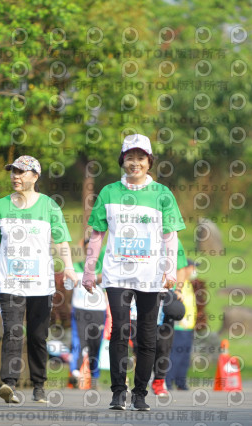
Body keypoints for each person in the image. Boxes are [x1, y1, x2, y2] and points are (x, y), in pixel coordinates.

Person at [82, 134, 186, 411]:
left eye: (141, 157)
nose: (135, 162)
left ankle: (140, 394)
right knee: (119, 331)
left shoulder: (162, 194)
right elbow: (97, 234)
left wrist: (170, 271)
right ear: (122, 160)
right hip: (117, 273)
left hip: (151, 275)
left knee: (148, 336)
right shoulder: (109, 192)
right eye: (130, 157)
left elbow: (170, 237)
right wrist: (89, 271)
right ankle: (118, 392)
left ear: (149, 161)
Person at [0, 155, 78, 404]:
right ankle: (9, 384)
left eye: (22, 172)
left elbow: (60, 240)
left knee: (38, 336)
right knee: (13, 331)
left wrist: (68, 267)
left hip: (40, 282)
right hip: (10, 281)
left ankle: (39, 386)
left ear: (35, 177)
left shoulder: (49, 206)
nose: (16, 176)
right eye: (13, 171)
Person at [150, 238, 188, 396]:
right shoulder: (142, 233)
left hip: (165, 296)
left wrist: (178, 290)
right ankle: (143, 376)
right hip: (143, 293)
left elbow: (181, 268)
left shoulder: (174, 242)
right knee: (141, 341)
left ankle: (159, 381)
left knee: (164, 344)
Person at [69, 238, 106, 389]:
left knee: (95, 344)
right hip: (80, 309)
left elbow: (108, 279)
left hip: (99, 310)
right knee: (80, 341)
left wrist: (95, 278)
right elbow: (68, 283)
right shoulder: (76, 267)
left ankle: (94, 375)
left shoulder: (103, 267)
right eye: (88, 247)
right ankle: (76, 372)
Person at [167, 260, 204, 391]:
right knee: (174, 356)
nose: (195, 270)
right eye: (193, 267)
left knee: (184, 357)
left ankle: (180, 382)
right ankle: (168, 382)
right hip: (178, 326)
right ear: (186, 268)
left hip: (188, 327)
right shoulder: (178, 284)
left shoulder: (188, 284)